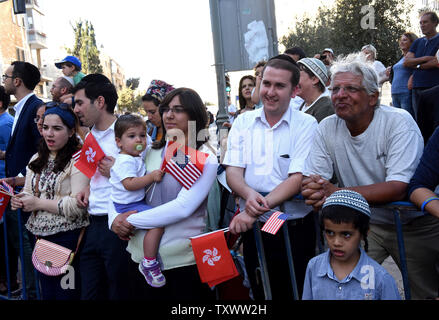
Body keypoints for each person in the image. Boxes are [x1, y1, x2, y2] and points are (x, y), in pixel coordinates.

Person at [301, 53, 439, 300]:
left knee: (422, 293)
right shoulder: (327, 127)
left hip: (412, 223)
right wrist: (313, 189)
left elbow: (399, 187)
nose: (340, 95)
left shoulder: (398, 122)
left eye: (351, 89)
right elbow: (315, 181)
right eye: (335, 89)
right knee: (341, 286)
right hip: (365, 223)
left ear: (373, 97)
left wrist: (337, 193)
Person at [109, 87, 219, 300]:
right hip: (137, 260)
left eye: (178, 110)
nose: (169, 115)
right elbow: (118, 187)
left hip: (181, 263)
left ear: (194, 114)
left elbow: (183, 207)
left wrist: (131, 220)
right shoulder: (149, 149)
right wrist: (114, 220)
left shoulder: (205, 157)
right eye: (166, 108)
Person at [225, 54, 318, 299]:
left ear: (295, 90)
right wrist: (248, 194)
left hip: (292, 226)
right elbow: (233, 171)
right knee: (261, 289)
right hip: (256, 228)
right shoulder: (243, 122)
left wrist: (251, 210)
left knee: (295, 291)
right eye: (266, 83)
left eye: (280, 85)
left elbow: (297, 178)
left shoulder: (307, 124)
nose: (270, 91)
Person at [11, 104, 89, 300]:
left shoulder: (78, 159)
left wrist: (37, 203)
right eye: (45, 127)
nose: (49, 134)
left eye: (57, 128)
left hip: (69, 239)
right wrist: (19, 201)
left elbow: (78, 206)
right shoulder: (37, 158)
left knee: (67, 293)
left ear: (71, 131)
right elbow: (29, 191)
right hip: (41, 239)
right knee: (48, 294)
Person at [73, 74, 135, 300]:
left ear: (100, 102)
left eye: (79, 103)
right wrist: (87, 189)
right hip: (92, 225)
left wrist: (116, 171)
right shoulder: (89, 136)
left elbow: (144, 175)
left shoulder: (130, 132)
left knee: (119, 291)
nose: (76, 109)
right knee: (90, 293)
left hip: (119, 226)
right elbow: (93, 176)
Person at [302, 190, 401, 300]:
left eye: (346, 234)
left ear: (364, 233)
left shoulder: (380, 278)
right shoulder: (314, 267)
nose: (336, 242)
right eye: (330, 233)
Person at [109, 114, 165, 288]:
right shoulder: (125, 160)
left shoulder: (134, 156)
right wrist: (151, 177)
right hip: (129, 205)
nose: (139, 140)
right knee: (157, 224)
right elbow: (129, 184)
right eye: (132, 136)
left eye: (142, 135)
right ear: (119, 142)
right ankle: (149, 262)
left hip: (132, 203)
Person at [1, 61, 42, 298]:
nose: (3, 81)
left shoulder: (36, 107)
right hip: (16, 188)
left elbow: (42, 150)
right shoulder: (22, 108)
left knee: (27, 243)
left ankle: (33, 291)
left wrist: (22, 179)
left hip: (26, 189)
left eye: (5, 76)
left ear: (17, 81)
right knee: (20, 241)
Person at [403, 11, 439, 122]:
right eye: (420, 23)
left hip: (434, 87)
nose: (422, 25)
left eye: (425, 22)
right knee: (420, 121)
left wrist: (416, 65)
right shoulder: (417, 42)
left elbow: (436, 62)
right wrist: (426, 59)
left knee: (435, 121)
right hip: (417, 87)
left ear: (435, 23)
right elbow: (406, 62)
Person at [387, 32, 418, 116]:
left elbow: (418, 69)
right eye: (401, 40)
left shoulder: (414, 57)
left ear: (412, 42)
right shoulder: (401, 58)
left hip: (406, 93)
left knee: (407, 120)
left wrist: (412, 76)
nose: (401, 42)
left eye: (405, 40)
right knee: (398, 120)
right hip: (395, 93)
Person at [296, 58, 334, 123]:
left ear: (314, 79)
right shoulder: (305, 104)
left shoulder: (326, 107)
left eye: (297, 76)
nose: (293, 81)